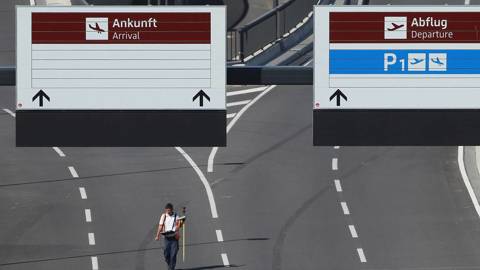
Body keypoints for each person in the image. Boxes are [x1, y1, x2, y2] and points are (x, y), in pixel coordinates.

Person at [155, 203, 184, 270]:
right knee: (166, 254)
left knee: (173, 255)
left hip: (174, 238)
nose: (167, 212)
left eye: (169, 210)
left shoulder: (176, 216)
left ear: (172, 210)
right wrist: (157, 235)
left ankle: (171, 268)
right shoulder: (163, 216)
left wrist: (179, 225)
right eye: (166, 210)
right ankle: (170, 265)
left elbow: (178, 225)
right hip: (167, 238)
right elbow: (160, 226)